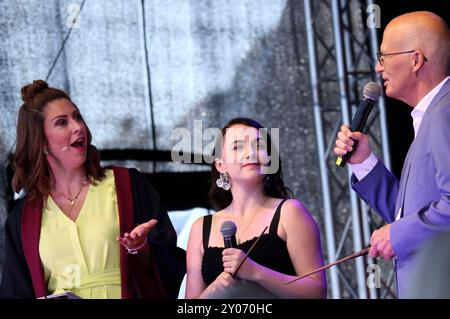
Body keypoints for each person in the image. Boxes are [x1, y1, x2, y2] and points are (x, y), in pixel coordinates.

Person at [0, 80, 186, 299]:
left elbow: (171, 264)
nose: (78, 126)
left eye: (77, 117)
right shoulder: (23, 218)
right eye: (62, 122)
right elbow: (15, 293)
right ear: (40, 142)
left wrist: (142, 249)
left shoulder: (128, 185)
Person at [333, 11, 450, 298]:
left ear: (416, 59)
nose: (377, 67)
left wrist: (397, 235)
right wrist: (364, 164)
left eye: (383, 57)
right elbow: (412, 212)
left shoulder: (445, 113)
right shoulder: (431, 115)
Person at [185, 117, 326, 299]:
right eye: (237, 147)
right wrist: (215, 289)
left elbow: (317, 291)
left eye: (258, 145)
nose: (251, 153)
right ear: (221, 165)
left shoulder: (289, 212)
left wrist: (256, 272)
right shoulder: (201, 228)